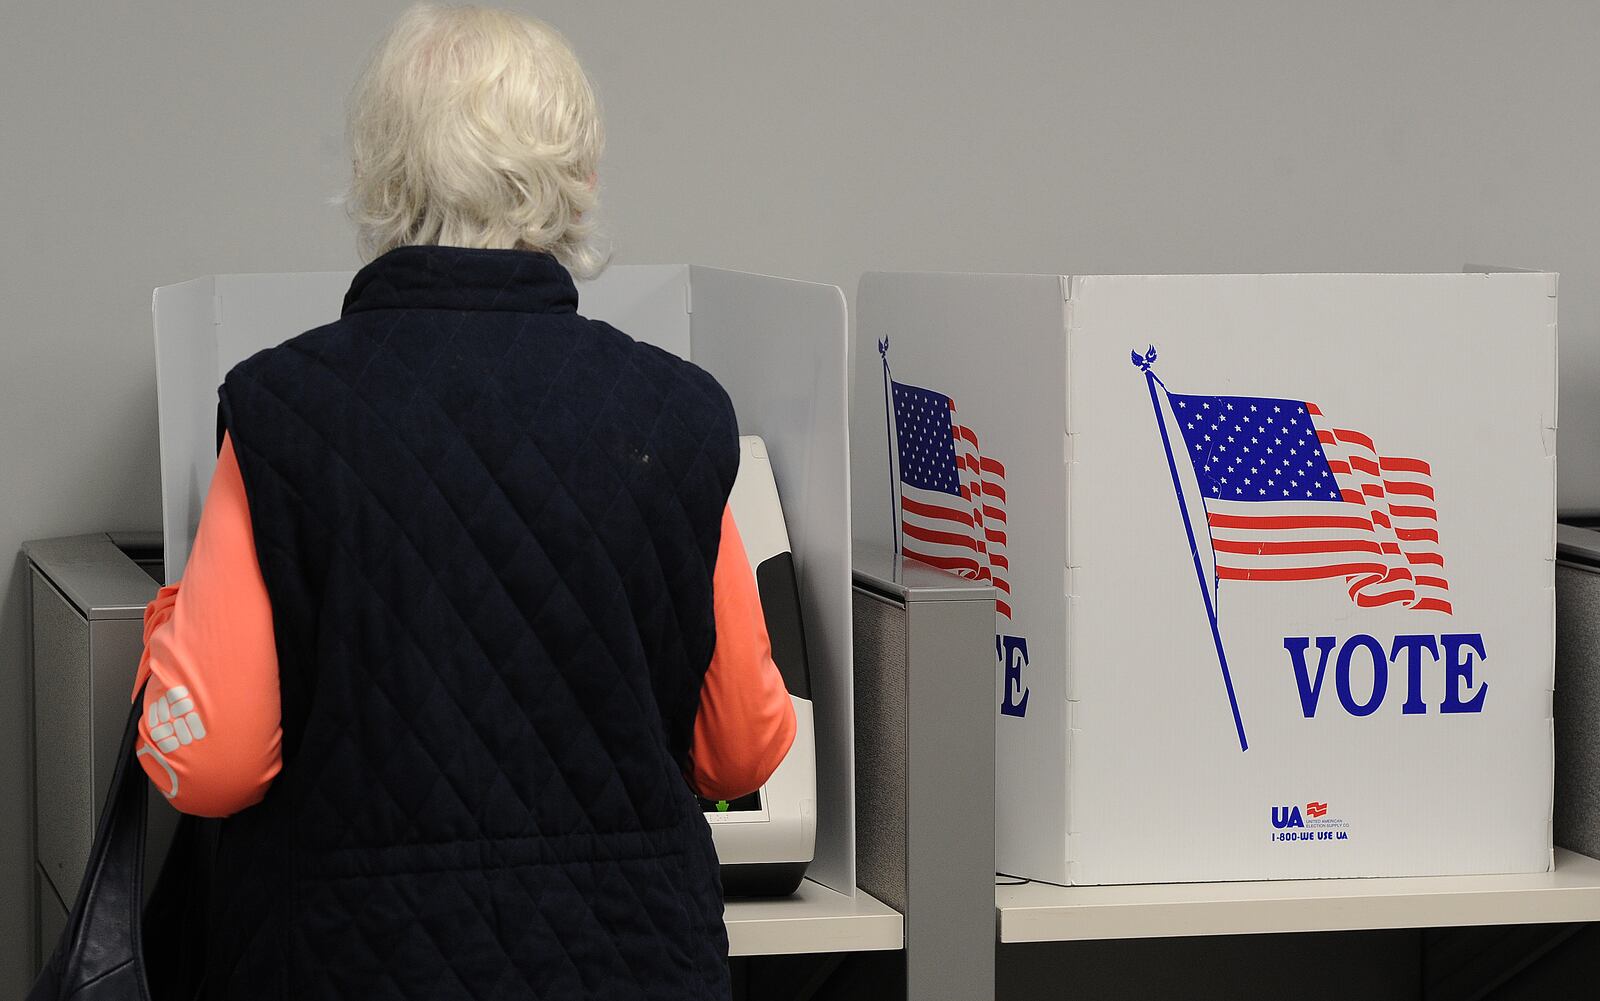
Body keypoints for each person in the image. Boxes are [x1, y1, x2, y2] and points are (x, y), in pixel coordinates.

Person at [131, 6, 796, 1000]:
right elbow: (739, 746)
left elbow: (212, 760)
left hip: (345, 962)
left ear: (382, 177)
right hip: (637, 962)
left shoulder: (281, 409)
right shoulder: (679, 414)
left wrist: (166, 624)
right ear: (580, 178)